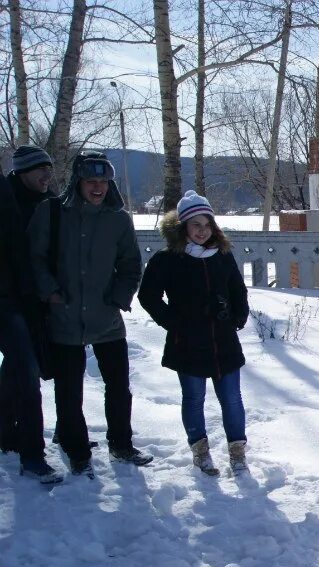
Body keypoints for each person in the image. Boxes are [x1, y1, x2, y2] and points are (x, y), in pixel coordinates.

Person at [28, 150, 149, 477]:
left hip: (106, 317)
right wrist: (50, 292)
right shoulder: (52, 212)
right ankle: (77, 450)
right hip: (64, 315)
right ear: (78, 182)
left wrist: (119, 298)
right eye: (91, 181)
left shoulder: (119, 219)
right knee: (69, 390)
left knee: (119, 386)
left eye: (103, 181)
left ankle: (121, 443)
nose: (98, 187)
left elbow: (130, 266)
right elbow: (35, 258)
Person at [139, 191, 250, 475]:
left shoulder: (222, 256)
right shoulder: (167, 259)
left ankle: (238, 453)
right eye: (195, 225)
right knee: (193, 398)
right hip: (186, 342)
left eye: (207, 224)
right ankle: (200, 452)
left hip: (223, 341)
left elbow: (238, 288)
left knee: (232, 399)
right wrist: (173, 321)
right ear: (183, 227)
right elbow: (148, 296)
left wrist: (238, 315)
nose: (202, 231)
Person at [0, 169, 61, 483]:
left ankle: (32, 456)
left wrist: (27, 297)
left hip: (7, 299)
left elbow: (14, 241)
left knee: (24, 371)